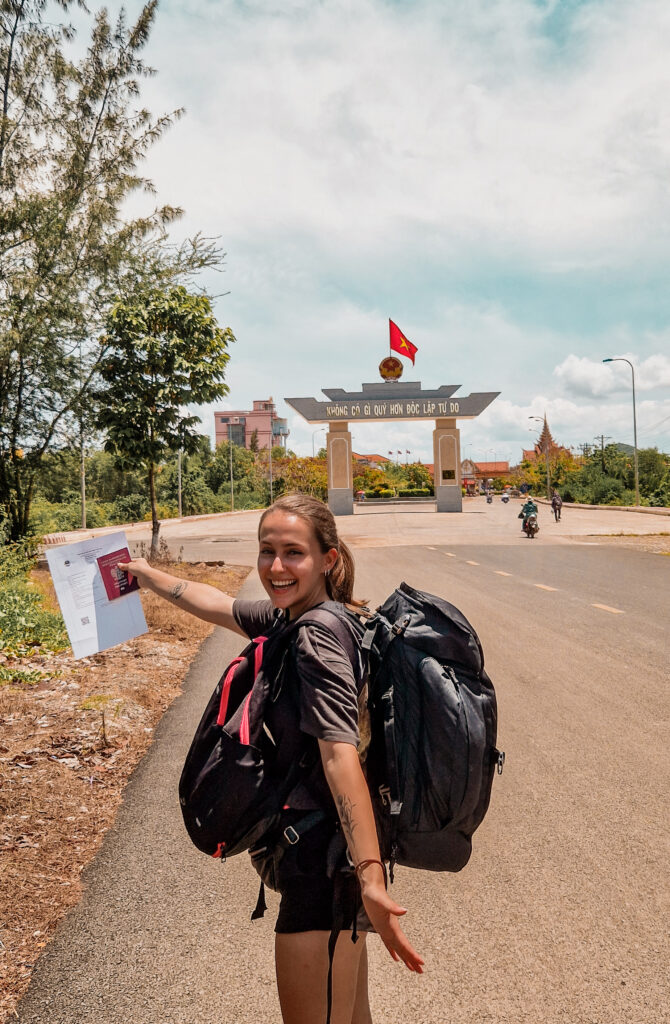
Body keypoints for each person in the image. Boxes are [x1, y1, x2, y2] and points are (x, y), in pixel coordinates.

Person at [118, 494, 423, 1024]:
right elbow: (215, 603)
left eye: (293, 553)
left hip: (322, 864)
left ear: (328, 559)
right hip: (334, 863)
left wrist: (371, 879)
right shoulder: (310, 616)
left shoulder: (316, 637)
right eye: (266, 551)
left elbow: (338, 755)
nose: (276, 567)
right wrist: (147, 574)